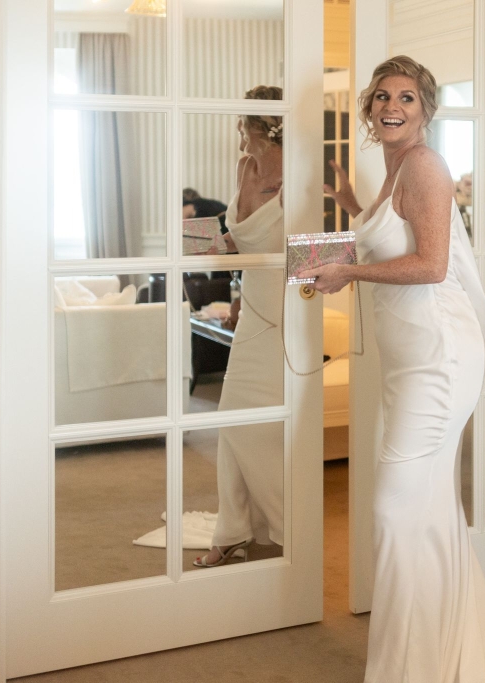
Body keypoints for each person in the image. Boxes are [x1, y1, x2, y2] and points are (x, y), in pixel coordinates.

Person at [303, 56, 485, 683]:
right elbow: (397, 234)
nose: (393, 106)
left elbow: (432, 265)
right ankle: (442, 661)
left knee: (394, 509)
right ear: (369, 109)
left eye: (407, 97)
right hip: (408, 360)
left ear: (426, 110)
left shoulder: (427, 166)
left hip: (438, 356)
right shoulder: (393, 170)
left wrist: (349, 271)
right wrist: (351, 205)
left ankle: (409, 668)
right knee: (427, 508)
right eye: (383, 96)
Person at [194, 85, 285, 568]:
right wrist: (189, 241)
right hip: (251, 313)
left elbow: (324, 255)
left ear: (264, 127)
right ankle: (231, 531)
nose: (239, 133)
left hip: (288, 316)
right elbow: (237, 241)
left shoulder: (303, 171)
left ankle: (291, 528)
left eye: (244, 124)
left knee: (262, 431)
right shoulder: (245, 168)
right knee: (231, 423)